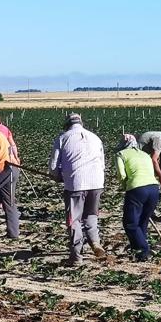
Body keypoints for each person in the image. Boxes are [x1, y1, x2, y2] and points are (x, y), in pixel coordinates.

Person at [48, 113, 105, 264]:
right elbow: (102, 163)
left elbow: (53, 166)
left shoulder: (63, 138)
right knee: (91, 215)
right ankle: (96, 243)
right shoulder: (95, 137)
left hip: (76, 184)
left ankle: (76, 256)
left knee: (74, 221)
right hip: (97, 182)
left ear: (67, 124)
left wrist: (58, 176)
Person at [115, 134, 159, 261]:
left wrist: (125, 186)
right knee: (142, 222)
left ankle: (144, 250)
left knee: (130, 223)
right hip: (154, 188)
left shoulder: (121, 154)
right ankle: (138, 251)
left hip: (137, 189)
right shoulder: (145, 154)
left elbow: (122, 175)